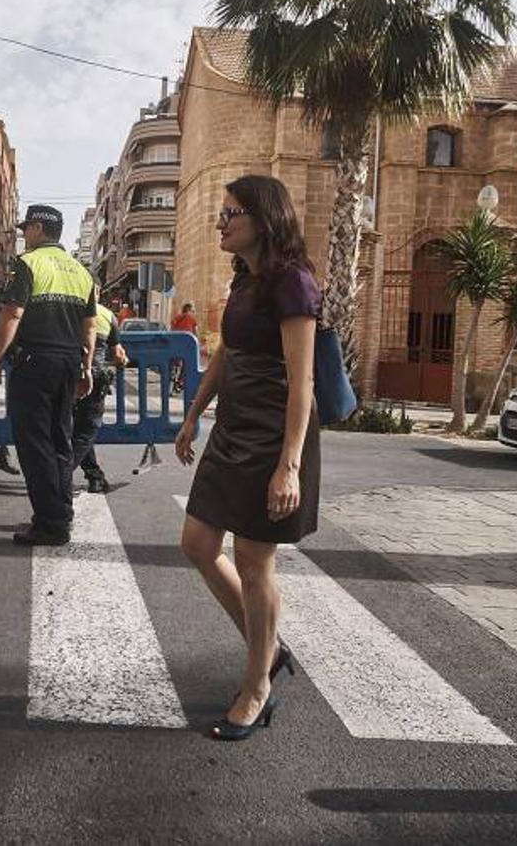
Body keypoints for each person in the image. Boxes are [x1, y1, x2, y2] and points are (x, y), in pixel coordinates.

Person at [174, 175, 320, 741]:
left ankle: (257, 685)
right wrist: (194, 414)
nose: (221, 221)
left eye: (231, 212)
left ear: (264, 218)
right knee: (197, 544)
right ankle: (270, 647)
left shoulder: (293, 284)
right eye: (222, 212)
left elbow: (302, 380)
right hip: (233, 427)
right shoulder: (243, 283)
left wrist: (289, 463)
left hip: (274, 433)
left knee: (256, 561)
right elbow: (225, 356)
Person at [0, 205, 97, 546]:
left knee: (35, 445)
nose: (23, 235)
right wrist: (87, 368)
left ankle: (51, 525)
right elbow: (89, 326)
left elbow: (13, 314)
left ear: (37, 228)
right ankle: (59, 515)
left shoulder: (29, 263)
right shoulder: (81, 270)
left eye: (25, 229)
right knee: (60, 441)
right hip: (68, 363)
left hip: (35, 363)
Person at [70, 302, 129, 494]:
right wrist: (123, 361)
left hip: (65, 377)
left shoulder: (67, 307)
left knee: (79, 431)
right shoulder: (106, 314)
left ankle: (95, 476)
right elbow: (118, 354)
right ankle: (57, 475)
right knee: (87, 431)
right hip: (93, 379)